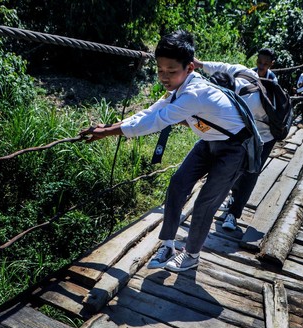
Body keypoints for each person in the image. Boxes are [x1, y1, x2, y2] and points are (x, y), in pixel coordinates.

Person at [79, 30, 256, 272]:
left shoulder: (194, 94)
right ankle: (169, 244)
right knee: (178, 183)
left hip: (234, 148)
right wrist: (109, 127)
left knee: (205, 202)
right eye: (160, 70)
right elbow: (149, 112)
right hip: (209, 141)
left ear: (190, 68)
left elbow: (155, 121)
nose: (164, 76)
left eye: (172, 71)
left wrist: (108, 133)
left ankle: (192, 254)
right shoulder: (179, 89)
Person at [192, 50, 279, 231]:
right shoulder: (243, 73)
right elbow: (223, 67)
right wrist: (199, 64)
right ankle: (232, 198)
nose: (261, 66)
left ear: (271, 64)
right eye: (259, 62)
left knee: (251, 172)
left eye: (266, 63)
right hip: (247, 132)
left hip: (264, 136)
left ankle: (233, 213)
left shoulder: (254, 94)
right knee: (237, 167)